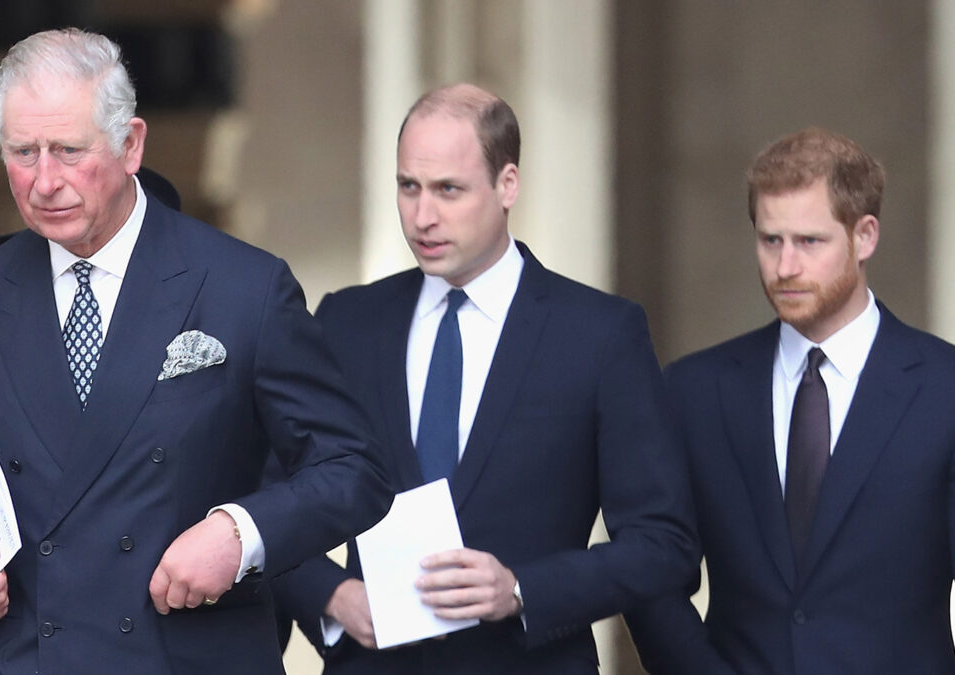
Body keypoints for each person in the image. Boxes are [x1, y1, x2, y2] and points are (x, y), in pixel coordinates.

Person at [0, 28, 390, 674]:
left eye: (67, 150)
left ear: (131, 144)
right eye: (22, 152)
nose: (43, 180)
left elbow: (354, 468)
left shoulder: (245, 288)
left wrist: (240, 532)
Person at [272, 83, 698, 674]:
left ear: (507, 185)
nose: (423, 216)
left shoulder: (601, 335)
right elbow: (269, 497)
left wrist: (521, 589)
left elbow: (664, 548)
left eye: (449, 189)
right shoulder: (348, 322)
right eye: (408, 187)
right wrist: (332, 595)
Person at [625, 127, 955, 673]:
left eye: (809, 242)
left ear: (865, 236)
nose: (785, 267)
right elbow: (649, 571)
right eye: (770, 240)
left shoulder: (944, 389)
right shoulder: (694, 390)